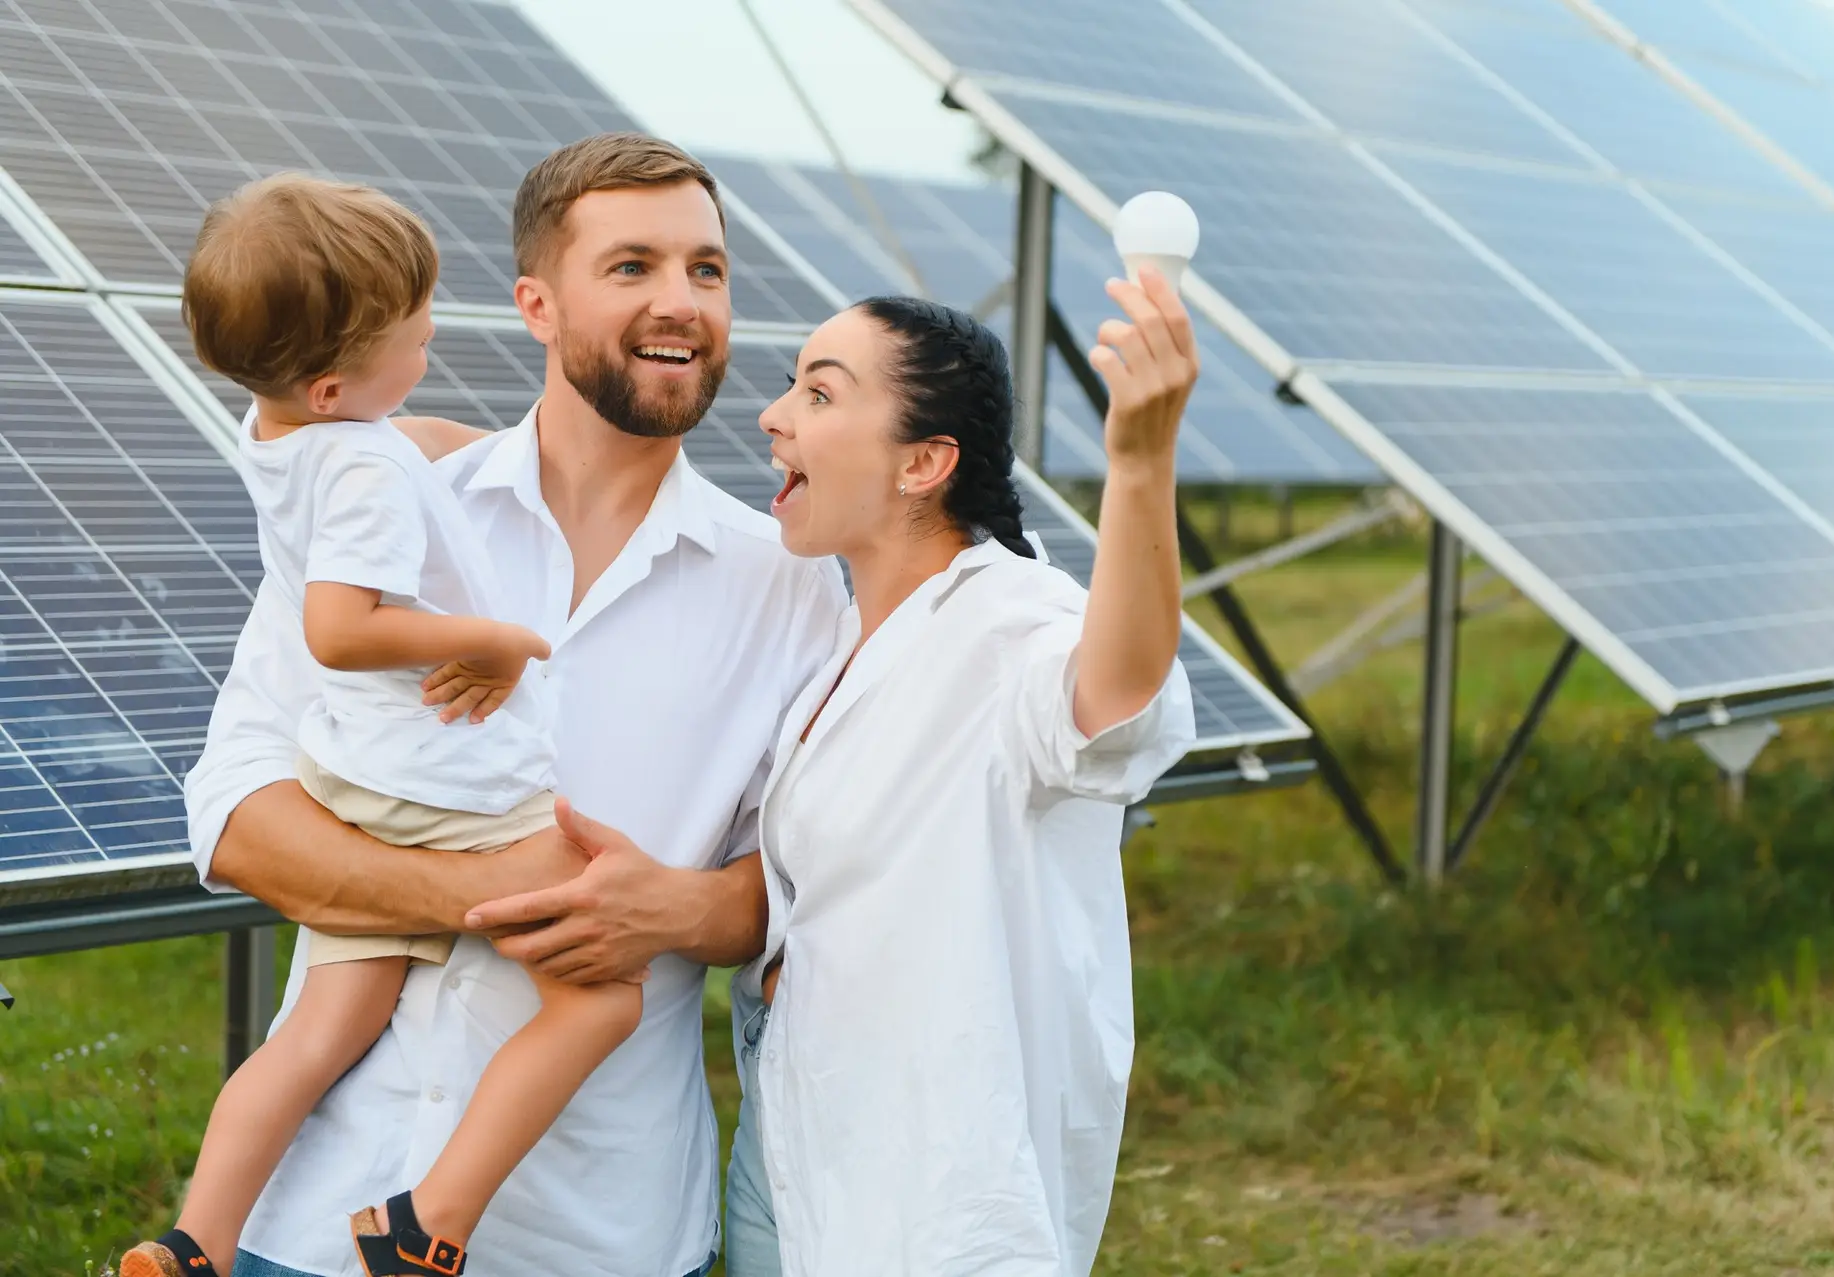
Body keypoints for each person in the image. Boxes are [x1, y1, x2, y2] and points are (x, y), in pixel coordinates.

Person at [180, 134, 844, 1277]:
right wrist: (479, 891)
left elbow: (800, 890)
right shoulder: (391, 506)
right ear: (536, 302)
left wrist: (669, 910)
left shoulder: (788, 581)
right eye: (631, 266)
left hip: (596, 1229)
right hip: (317, 1212)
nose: (680, 301)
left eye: (708, 269)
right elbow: (238, 814)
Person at [469, 278, 1200, 1275]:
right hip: (796, 1151)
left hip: (934, 1186)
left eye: (819, 394)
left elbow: (1113, 694)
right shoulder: (841, 642)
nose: (772, 416)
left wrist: (1141, 463)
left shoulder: (1009, 620)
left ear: (924, 462)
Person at [127, 172, 652, 1277]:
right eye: (410, 340)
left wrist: (437, 443)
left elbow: (393, 453)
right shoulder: (363, 457)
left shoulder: (282, 431)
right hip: (447, 785)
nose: (425, 352)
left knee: (322, 1029)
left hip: (357, 777)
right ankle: (426, 1222)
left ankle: (193, 1241)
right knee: (604, 991)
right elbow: (339, 626)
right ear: (329, 385)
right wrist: (494, 637)